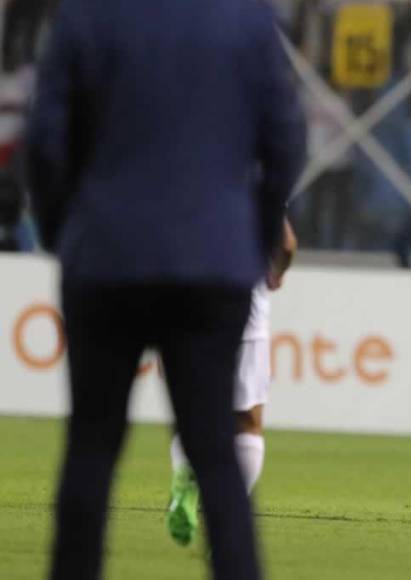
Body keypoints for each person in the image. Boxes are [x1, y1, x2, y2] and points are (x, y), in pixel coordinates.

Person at [26, 1, 306, 579]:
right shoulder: (247, 19)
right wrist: (249, 239)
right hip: (213, 258)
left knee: (91, 445)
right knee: (216, 447)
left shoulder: (86, 17)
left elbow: (45, 138)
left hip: (105, 254)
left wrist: (62, 233)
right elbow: (285, 140)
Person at [166, 217, 298, 546]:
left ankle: (184, 481)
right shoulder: (253, 182)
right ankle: (226, 519)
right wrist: (277, 273)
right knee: (247, 420)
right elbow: (286, 244)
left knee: (192, 407)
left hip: (184, 293)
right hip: (243, 298)